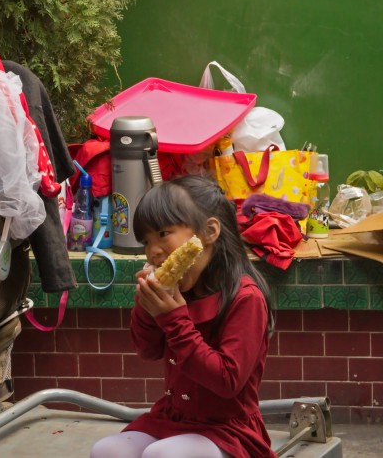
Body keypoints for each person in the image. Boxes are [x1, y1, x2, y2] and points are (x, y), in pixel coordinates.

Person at [90, 175, 276, 458]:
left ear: (209, 232)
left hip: (228, 429)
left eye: (163, 234)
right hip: (173, 418)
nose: (153, 252)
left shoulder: (245, 298)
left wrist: (173, 319)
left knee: (162, 455)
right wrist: (146, 305)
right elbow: (148, 350)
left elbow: (227, 381)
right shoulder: (181, 290)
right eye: (146, 241)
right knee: (107, 451)